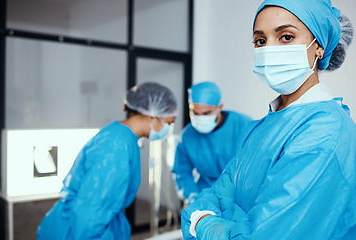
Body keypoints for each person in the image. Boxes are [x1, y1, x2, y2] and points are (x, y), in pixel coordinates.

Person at [181, 0, 356, 239]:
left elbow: (263, 234)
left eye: (286, 37)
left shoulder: (325, 131)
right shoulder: (265, 125)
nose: (269, 49)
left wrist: (202, 223)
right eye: (260, 41)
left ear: (319, 47)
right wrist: (227, 221)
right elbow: (217, 192)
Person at [37, 82, 177, 240]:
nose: (168, 130)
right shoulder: (117, 146)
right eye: (169, 123)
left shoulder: (121, 134)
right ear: (152, 115)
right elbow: (91, 214)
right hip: (77, 231)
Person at [172, 81, 252, 204]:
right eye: (195, 113)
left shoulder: (244, 125)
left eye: (206, 113)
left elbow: (257, 165)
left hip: (240, 195)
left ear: (219, 108)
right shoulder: (187, 136)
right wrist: (193, 197)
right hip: (206, 195)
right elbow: (181, 173)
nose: (200, 118)